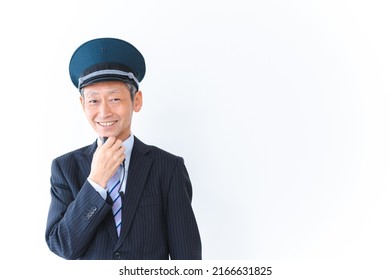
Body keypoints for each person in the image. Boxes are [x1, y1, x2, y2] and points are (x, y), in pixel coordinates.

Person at [45, 37, 202, 260]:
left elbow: (187, 257)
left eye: (115, 98)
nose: (104, 112)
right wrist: (96, 182)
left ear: (136, 101)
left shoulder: (168, 167)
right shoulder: (64, 168)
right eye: (93, 101)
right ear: (82, 105)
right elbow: (63, 246)